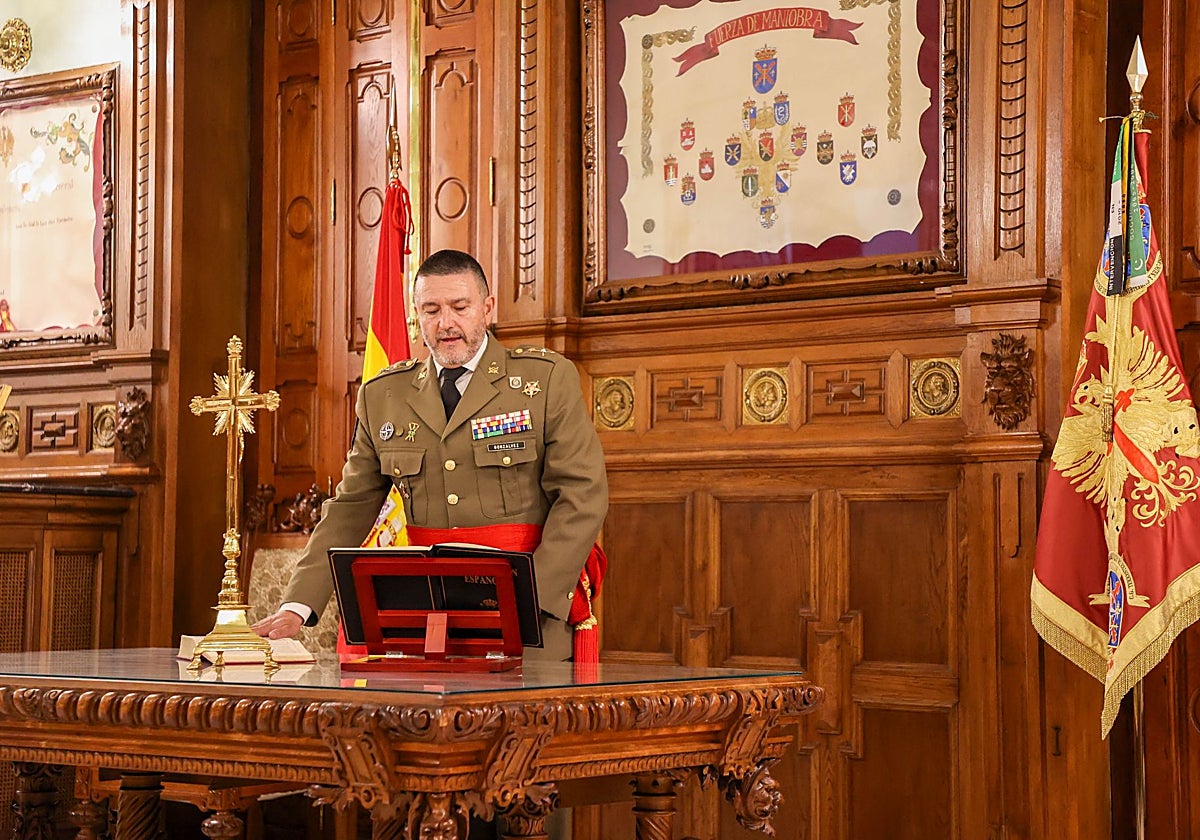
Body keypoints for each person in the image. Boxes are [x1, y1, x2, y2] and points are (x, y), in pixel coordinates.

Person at [251, 249, 609, 664]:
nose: (446, 323)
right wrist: (299, 605)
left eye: (460, 307)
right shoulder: (384, 395)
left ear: (487, 308)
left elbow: (582, 495)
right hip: (425, 616)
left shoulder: (544, 380)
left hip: (527, 610)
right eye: (431, 310)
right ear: (417, 316)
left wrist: (535, 597)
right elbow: (352, 505)